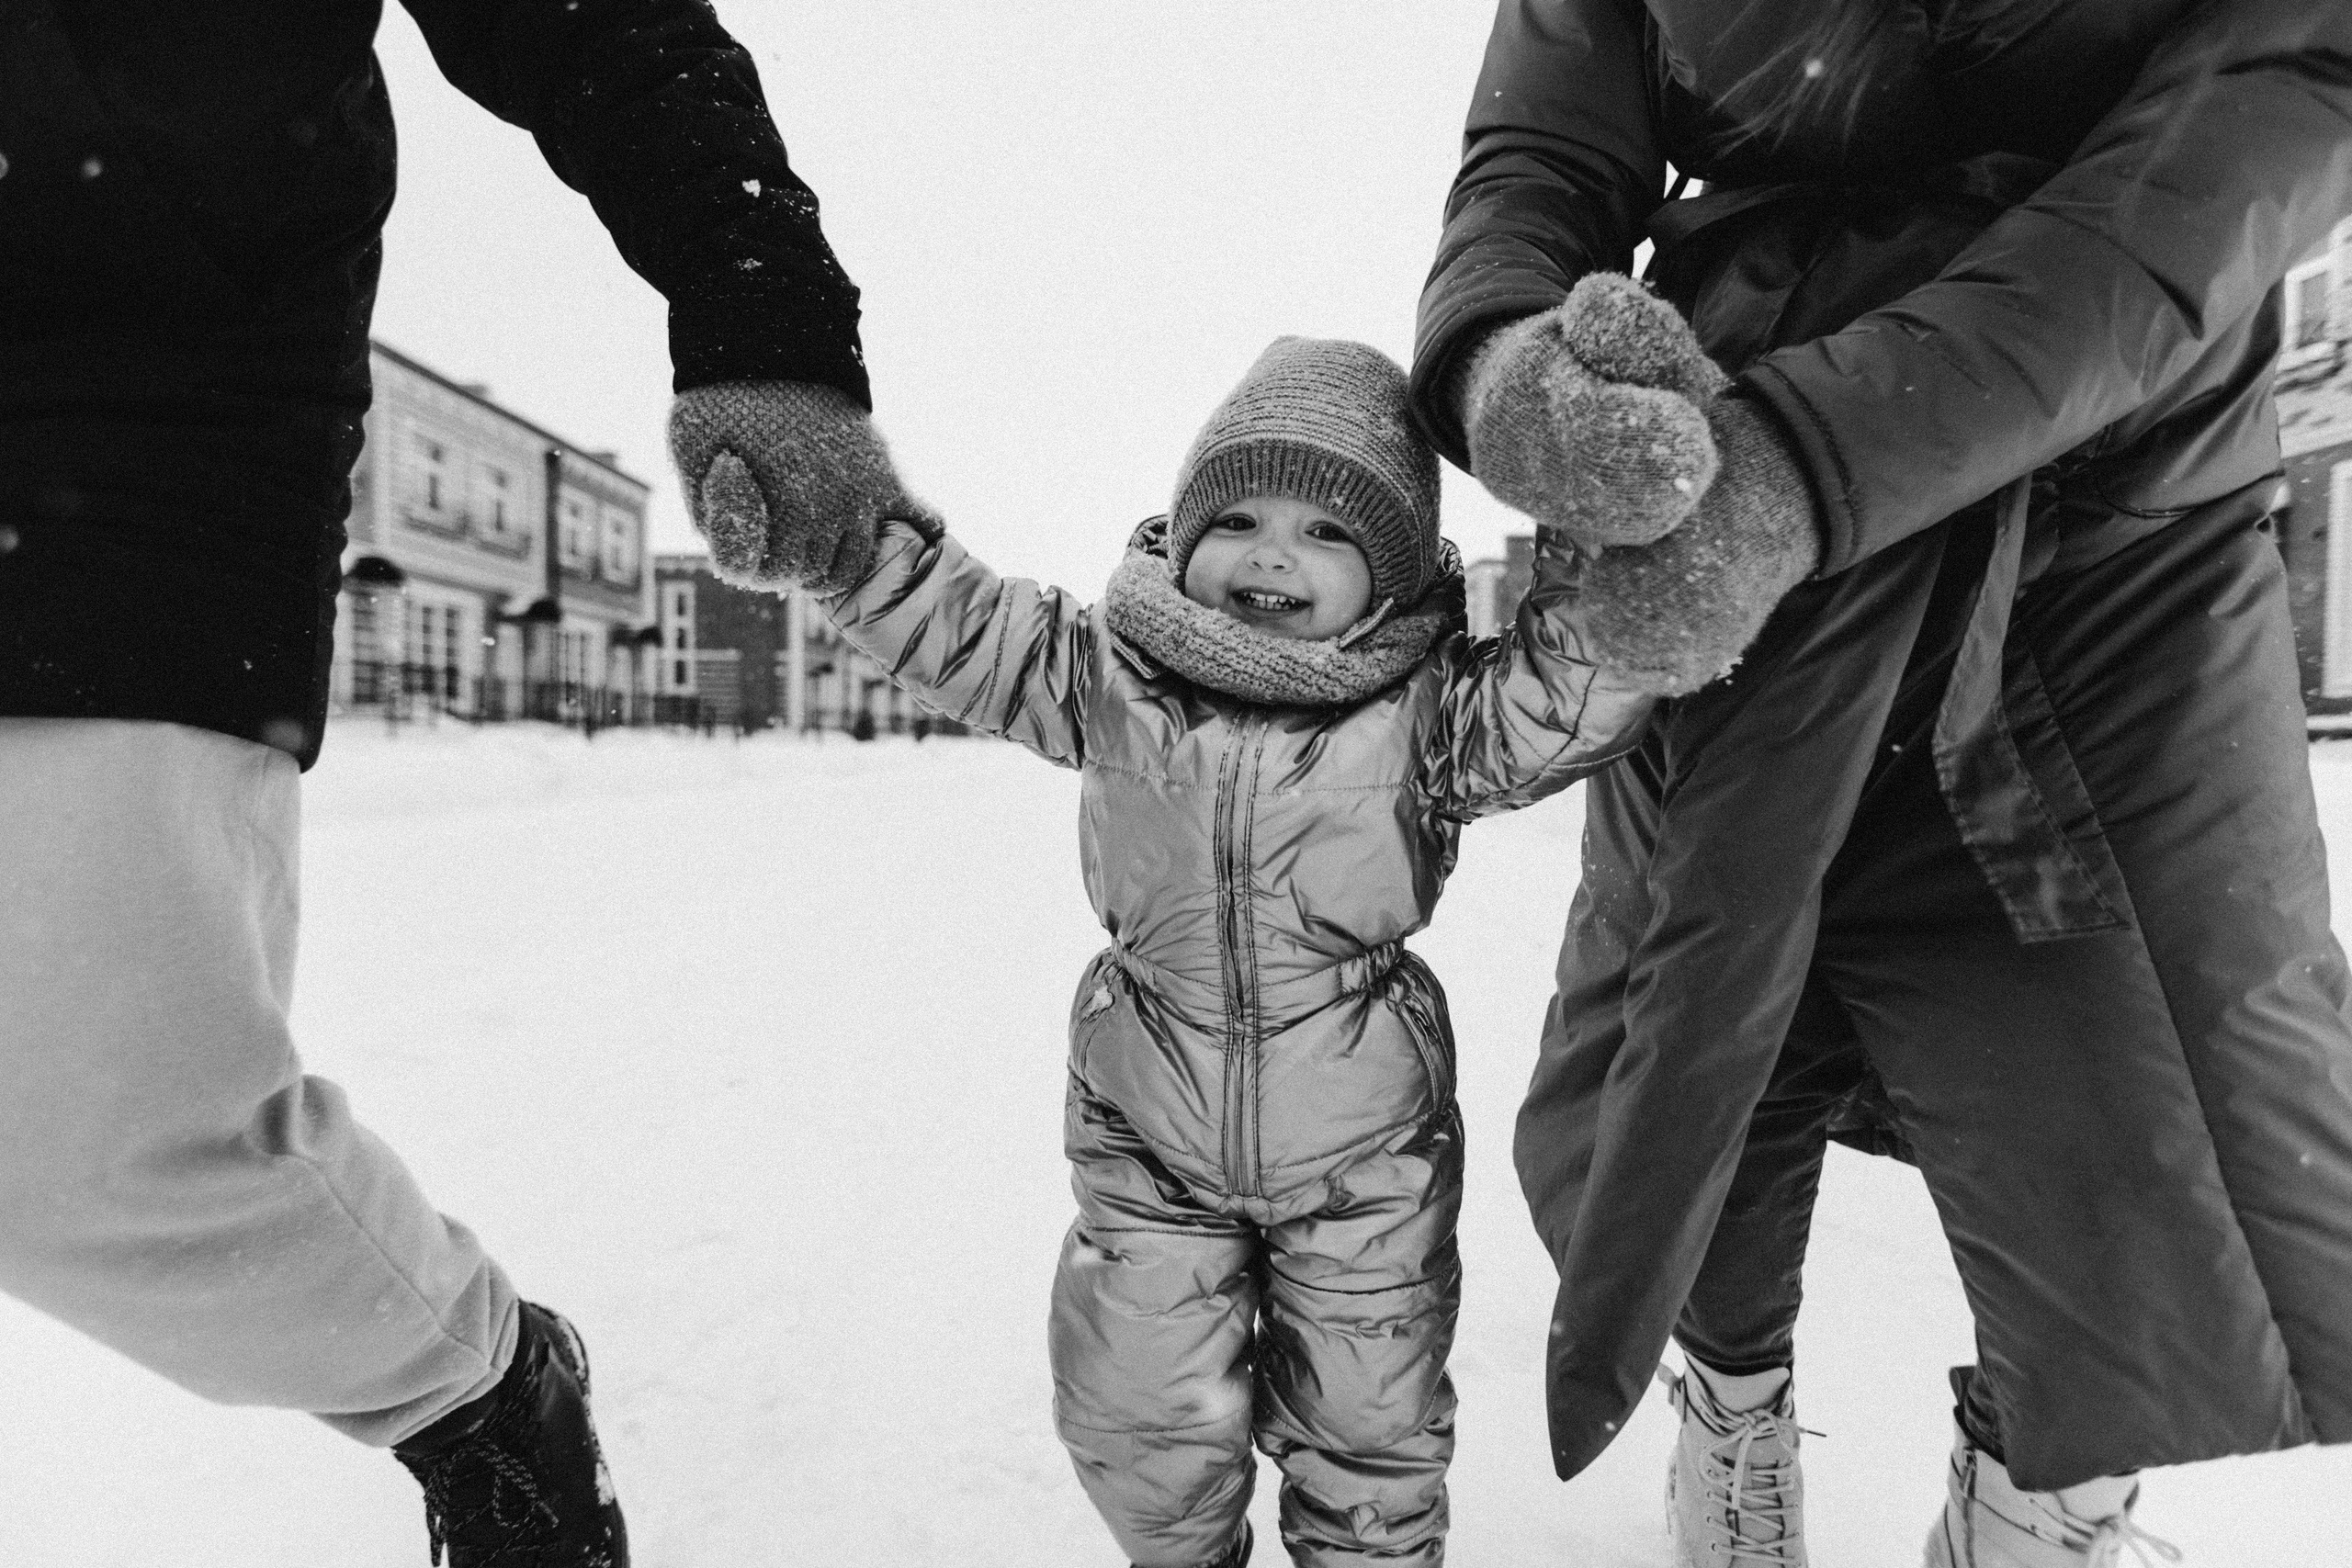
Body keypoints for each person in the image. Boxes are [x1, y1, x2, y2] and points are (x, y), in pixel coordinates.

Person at [1408, 2, 2352, 1565]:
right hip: (1709, 488)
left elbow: (2256, 113)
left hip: (2109, 496)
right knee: (1708, 1036)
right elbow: (1540, 144)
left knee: (2145, 1063)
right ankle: (1732, 1414)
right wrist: (1506, 361)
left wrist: (1816, 460)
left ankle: (2047, 1504)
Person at [0, 1, 900, 1561]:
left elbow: (606, 28)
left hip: (139, 452)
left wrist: (765, 319)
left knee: (87, 1139)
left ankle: (478, 1388)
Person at [673, 336, 1657, 1566]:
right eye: (1237, 516)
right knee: (1134, 1410)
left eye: (1329, 532)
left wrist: (1620, 539)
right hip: (1150, 1136)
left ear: (1393, 571)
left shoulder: (1430, 711)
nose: (1273, 554)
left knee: (1373, 1428)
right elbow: (959, 623)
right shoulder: (1109, 672)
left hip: (1363, 1154)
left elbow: (1565, 691)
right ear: (1183, 538)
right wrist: (842, 534)